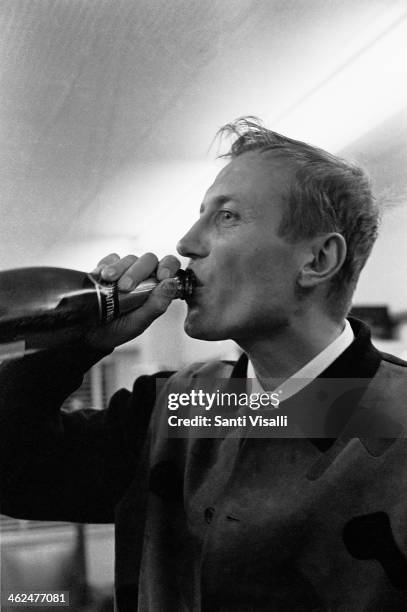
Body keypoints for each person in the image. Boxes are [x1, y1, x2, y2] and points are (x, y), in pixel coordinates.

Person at [1, 118, 407, 611]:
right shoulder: (172, 411)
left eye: (227, 216)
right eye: (199, 215)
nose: (186, 243)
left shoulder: (397, 416)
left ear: (318, 259)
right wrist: (74, 346)